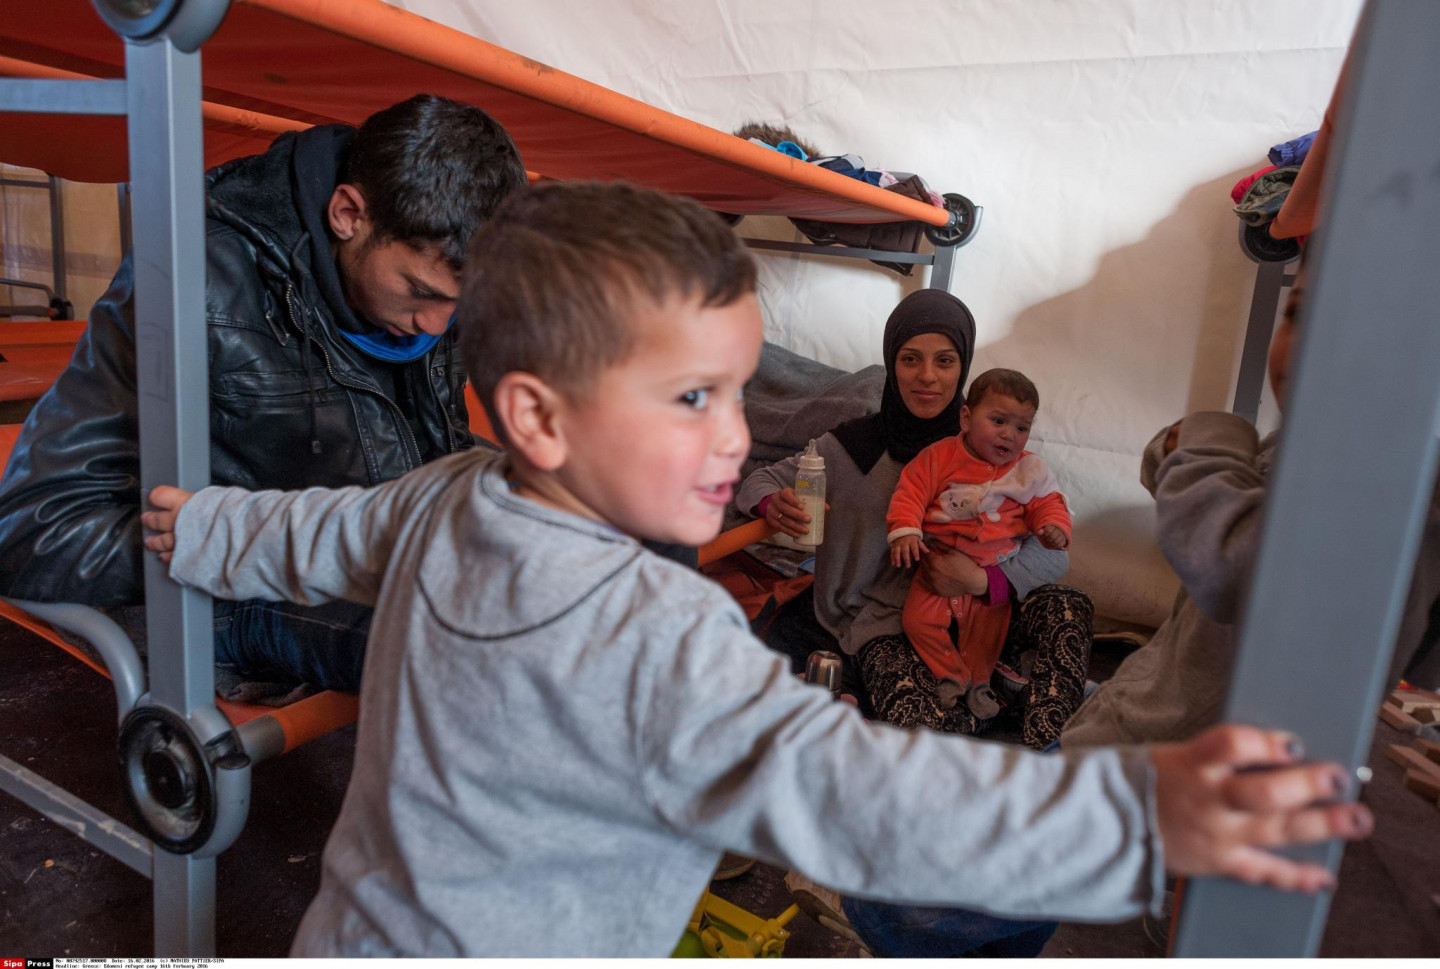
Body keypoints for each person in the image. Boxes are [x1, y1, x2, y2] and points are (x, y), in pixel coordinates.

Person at [140, 182, 1369, 958]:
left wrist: (202, 527)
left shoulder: (446, 494)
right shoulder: (652, 635)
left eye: (737, 391)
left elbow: (319, 532)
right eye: (693, 399)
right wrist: (1139, 815)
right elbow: (863, 796)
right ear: (539, 415)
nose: (736, 435)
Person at [0, 94, 526, 694]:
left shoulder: (432, 292)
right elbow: (33, 534)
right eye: (420, 291)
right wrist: (244, 542)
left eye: (460, 303)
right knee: (477, 646)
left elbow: (422, 461)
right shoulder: (191, 277)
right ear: (348, 214)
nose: (436, 325)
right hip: (239, 583)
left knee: (582, 578)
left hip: (360, 549)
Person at [1064, 264, 1440, 748]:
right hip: (1135, 727)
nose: (1311, 341)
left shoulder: (1388, 486)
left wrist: (1213, 433)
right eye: (1299, 313)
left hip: (1180, 765)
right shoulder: (1304, 444)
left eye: (1364, 320)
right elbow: (1177, 481)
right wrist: (1187, 446)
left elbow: (1227, 564)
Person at [736, 290, 1089, 747]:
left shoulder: (994, 445)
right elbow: (758, 482)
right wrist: (771, 504)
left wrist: (983, 582)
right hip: (889, 626)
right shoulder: (851, 449)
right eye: (909, 359)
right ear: (891, 362)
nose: (927, 376)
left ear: (962, 367)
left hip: (986, 614)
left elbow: (1054, 554)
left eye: (945, 361)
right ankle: (1001, 695)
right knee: (926, 728)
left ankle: (1049, 745)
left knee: (1068, 606)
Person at [886, 367, 1072, 718]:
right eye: (998, 421)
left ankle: (981, 684)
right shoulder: (938, 457)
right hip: (938, 563)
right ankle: (952, 675)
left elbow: (1049, 502)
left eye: (1022, 428)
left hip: (993, 567)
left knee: (985, 635)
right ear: (967, 418)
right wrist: (906, 530)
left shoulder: (1029, 470)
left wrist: (1053, 527)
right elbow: (910, 493)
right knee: (917, 621)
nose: (1009, 435)